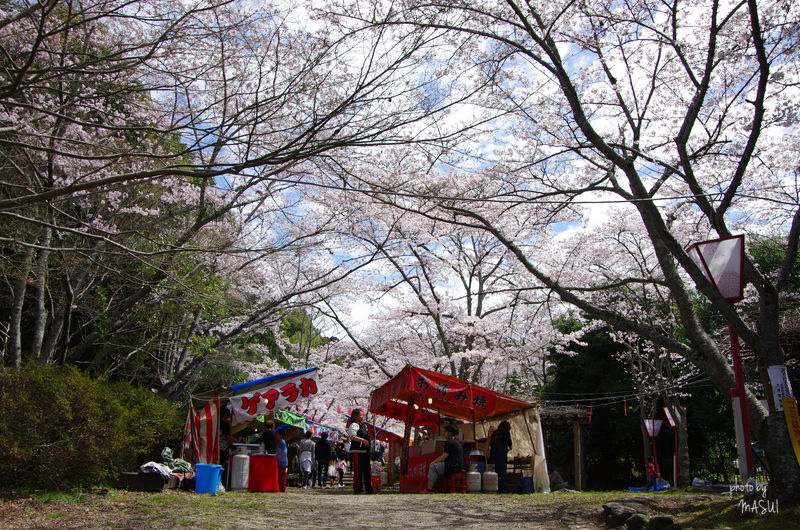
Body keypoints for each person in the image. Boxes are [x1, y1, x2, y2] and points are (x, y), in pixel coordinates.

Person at [420, 424, 464, 494]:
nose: (444, 433)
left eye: (445, 432)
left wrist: (433, 462)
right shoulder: (457, 442)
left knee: (433, 467)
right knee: (437, 468)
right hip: (458, 466)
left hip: (452, 466)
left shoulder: (449, 442)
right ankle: (436, 488)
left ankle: (429, 489)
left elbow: (444, 456)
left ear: (450, 433)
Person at [346, 408, 374, 494]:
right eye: (360, 415)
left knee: (367, 470)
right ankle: (358, 488)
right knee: (358, 470)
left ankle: (369, 489)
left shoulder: (364, 426)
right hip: (357, 451)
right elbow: (352, 437)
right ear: (355, 416)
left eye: (362, 415)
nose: (362, 417)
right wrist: (363, 440)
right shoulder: (354, 425)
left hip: (365, 451)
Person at [489, 420, 512, 493]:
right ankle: (504, 489)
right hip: (501, 454)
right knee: (503, 472)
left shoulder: (495, 432)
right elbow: (509, 442)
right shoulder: (506, 432)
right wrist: (510, 447)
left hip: (494, 454)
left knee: (496, 472)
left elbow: (490, 444)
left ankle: (497, 488)